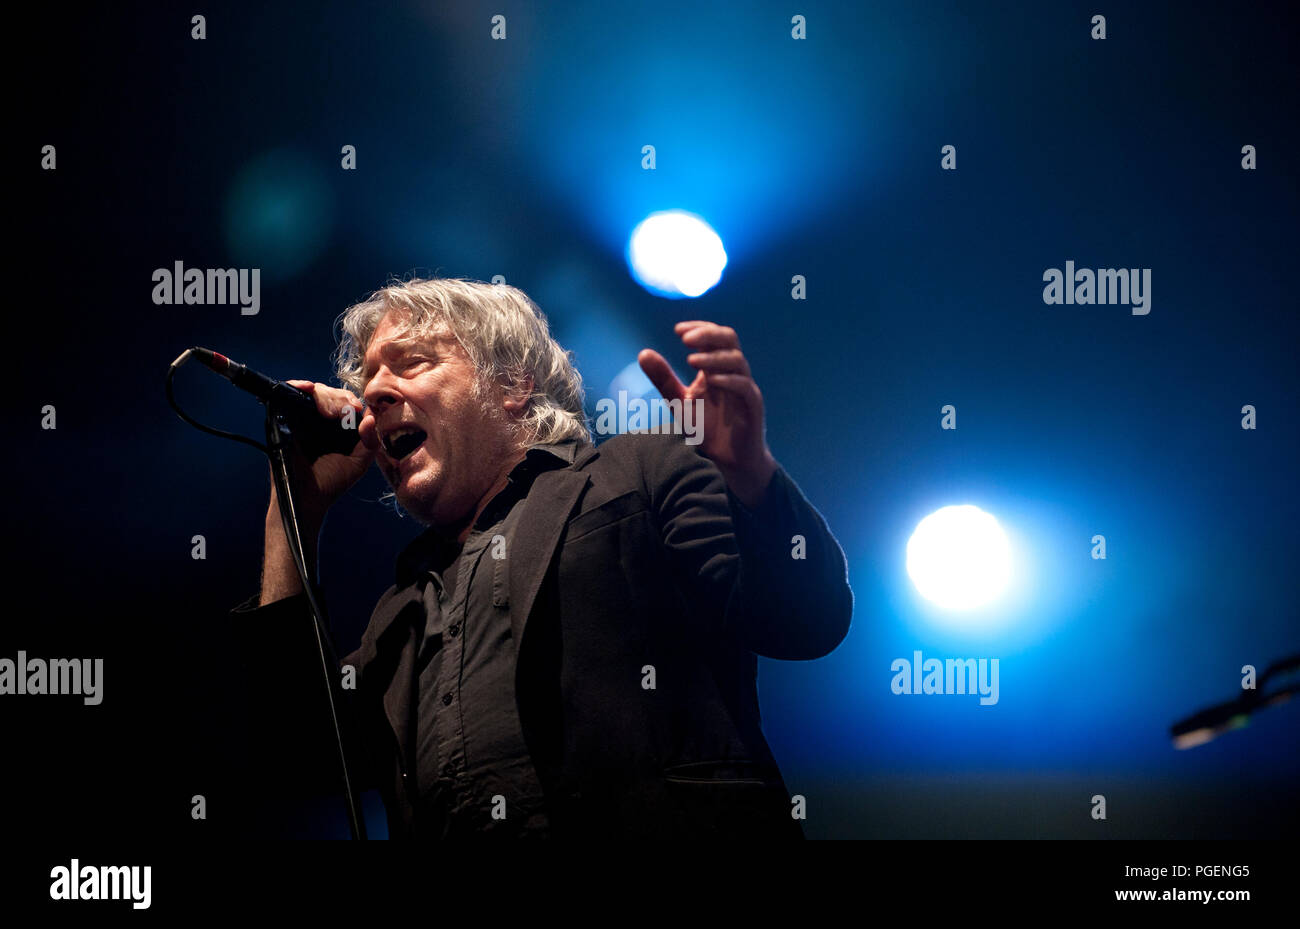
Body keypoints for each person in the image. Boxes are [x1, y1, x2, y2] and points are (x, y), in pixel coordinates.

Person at [231, 277, 852, 839]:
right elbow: (299, 757)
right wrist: (293, 511)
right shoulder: (401, 612)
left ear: (512, 383)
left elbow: (804, 617)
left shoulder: (638, 471)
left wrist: (749, 476)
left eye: (412, 364)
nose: (373, 397)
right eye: (366, 387)